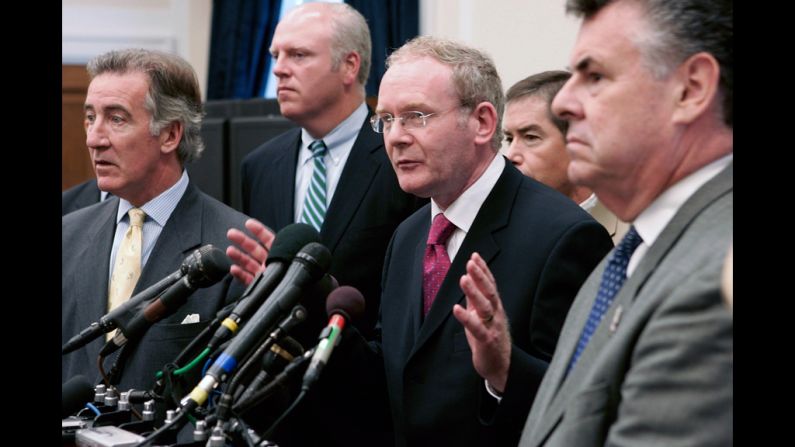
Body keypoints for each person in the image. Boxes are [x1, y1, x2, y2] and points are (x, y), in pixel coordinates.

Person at [456, 1, 733, 446]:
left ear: (691, 89)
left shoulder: (715, 276)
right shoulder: (630, 255)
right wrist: (507, 370)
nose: (565, 102)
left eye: (595, 76)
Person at [355, 36, 613, 447]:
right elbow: (395, 380)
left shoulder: (564, 235)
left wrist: (505, 370)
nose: (395, 137)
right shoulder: (407, 237)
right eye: (385, 119)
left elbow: (588, 404)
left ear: (482, 122)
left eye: (416, 116)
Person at [228, 2, 423, 342]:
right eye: (276, 56)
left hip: (366, 375)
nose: (279, 70)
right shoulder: (259, 166)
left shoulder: (402, 160)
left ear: (349, 66)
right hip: (271, 378)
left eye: (299, 55)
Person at [62, 49, 249, 393]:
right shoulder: (67, 235)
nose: (94, 138)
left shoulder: (232, 252)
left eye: (116, 119)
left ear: (170, 135)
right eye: (91, 117)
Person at [503, 71, 628, 242]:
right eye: (510, 139)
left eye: (531, 137)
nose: (510, 155)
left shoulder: (634, 234)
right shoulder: (506, 232)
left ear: (579, 141)